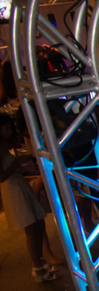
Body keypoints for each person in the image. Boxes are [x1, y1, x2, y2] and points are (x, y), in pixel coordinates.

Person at [0, 114, 56, 282]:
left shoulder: (4, 145)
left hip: (18, 184)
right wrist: (17, 163)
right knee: (31, 227)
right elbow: (1, 176)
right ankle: (37, 267)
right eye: (7, 129)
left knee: (38, 223)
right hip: (13, 188)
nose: (10, 132)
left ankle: (40, 261)